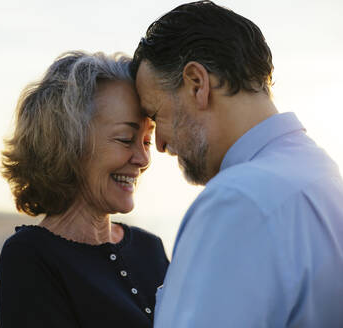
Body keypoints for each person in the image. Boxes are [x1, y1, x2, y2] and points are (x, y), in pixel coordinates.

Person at [131, 1, 343, 327]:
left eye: (157, 115)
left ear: (197, 84)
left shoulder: (238, 201)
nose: (158, 144)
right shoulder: (321, 174)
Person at [0, 51, 169, 328]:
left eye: (146, 141)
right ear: (68, 143)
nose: (143, 159)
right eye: (126, 139)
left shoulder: (151, 248)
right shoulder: (31, 257)